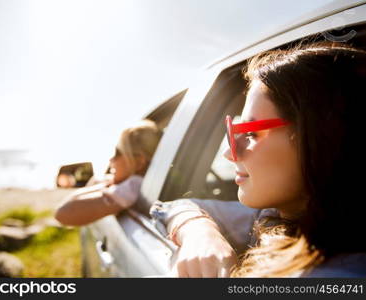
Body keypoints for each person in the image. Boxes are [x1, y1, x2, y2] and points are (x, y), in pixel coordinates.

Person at [150, 42, 366, 277]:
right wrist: (199, 231)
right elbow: (174, 207)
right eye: (234, 131)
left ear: (324, 138)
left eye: (250, 133)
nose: (229, 153)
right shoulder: (276, 216)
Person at [55, 119, 162, 226]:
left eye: (117, 153)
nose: (111, 160)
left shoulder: (133, 185)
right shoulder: (146, 184)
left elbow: (62, 213)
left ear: (138, 162)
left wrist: (107, 184)